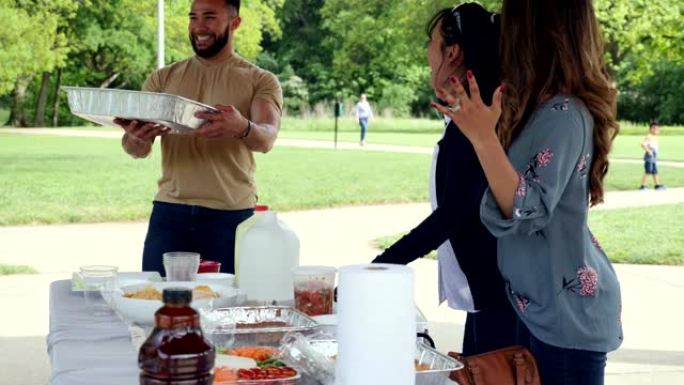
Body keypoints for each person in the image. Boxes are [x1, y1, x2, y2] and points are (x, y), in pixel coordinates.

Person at [432, 0, 623, 383]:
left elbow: (525, 209)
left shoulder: (565, 114)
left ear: (533, 32)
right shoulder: (536, 108)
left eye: (510, 19)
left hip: (564, 321)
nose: (501, 26)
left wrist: (484, 138)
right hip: (531, 306)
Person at [372, 3, 517, 356]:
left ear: (452, 52)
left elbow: (454, 214)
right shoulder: (473, 116)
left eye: (431, 42)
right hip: (488, 297)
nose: (427, 53)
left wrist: (381, 266)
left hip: (499, 299)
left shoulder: (476, 124)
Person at [115, 0, 283, 276]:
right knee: (159, 306)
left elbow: (266, 139)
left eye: (209, 17)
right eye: (193, 17)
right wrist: (137, 137)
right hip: (170, 212)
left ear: (235, 23)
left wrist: (241, 127)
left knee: (223, 310)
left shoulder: (260, 80)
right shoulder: (163, 78)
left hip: (229, 214)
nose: (198, 26)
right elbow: (135, 149)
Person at [640, 121, 665, 190]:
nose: (658, 130)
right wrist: (648, 151)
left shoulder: (654, 137)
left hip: (653, 156)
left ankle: (657, 185)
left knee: (654, 171)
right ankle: (643, 186)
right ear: (651, 129)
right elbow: (642, 144)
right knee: (648, 170)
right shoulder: (649, 136)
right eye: (656, 129)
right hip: (649, 156)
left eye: (658, 129)